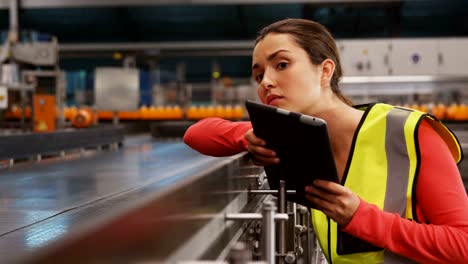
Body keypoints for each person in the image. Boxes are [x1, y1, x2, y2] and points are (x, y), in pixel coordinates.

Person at [184, 18, 468, 263]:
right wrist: (246, 136)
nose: (265, 82)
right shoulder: (296, 136)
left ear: (325, 71)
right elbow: (196, 134)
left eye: (281, 64)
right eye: (259, 74)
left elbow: (464, 245)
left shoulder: (410, 132)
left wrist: (362, 218)